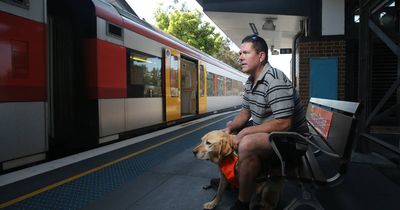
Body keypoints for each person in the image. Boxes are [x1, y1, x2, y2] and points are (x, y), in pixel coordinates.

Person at [222, 34, 309, 210]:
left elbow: (284, 123)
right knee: (228, 135)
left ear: (261, 56)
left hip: (294, 141)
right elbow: (245, 113)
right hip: (275, 136)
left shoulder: (273, 79)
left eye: (245, 53)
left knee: (246, 143)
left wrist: (245, 132)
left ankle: (242, 203)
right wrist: (230, 127)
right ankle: (236, 176)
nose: (240, 57)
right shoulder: (250, 81)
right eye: (240, 53)